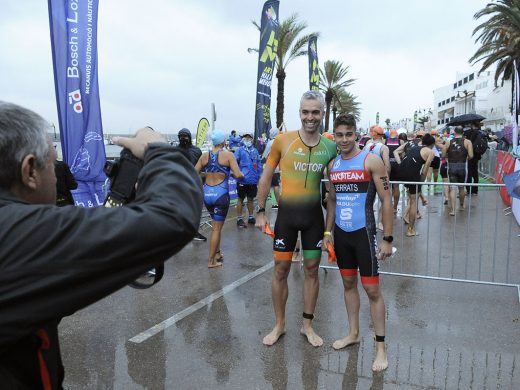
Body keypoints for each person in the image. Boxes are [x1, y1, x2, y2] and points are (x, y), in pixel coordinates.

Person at [0, 101, 203, 389]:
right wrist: (158, 150)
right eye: (52, 164)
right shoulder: (17, 236)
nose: (56, 174)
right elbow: (173, 216)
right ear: (30, 170)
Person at [255, 90, 337, 347]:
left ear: (322, 113)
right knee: (280, 270)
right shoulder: (283, 141)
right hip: (286, 218)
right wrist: (260, 212)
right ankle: (279, 325)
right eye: (305, 112)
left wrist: (328, 230)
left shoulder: (330, 147)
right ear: (299, 112)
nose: (310, 117)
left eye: (315, 112)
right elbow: (266, 178)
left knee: (312, 270)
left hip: (314, 219)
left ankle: (307, 326)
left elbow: (332, 193)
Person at [323, 113, 393, 372]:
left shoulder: (371, 160)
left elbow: (387, 199)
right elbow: (331, 199)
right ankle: (353, 333)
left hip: (364, 234)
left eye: (348, 134)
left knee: (373, 291)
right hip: (341, 236)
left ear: (357, 134)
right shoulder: (333, 165)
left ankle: (381, 348)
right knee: (348, 284)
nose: (343, 139)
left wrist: (387, 238)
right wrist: (327, 233)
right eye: (339, 135)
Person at [195, 130, 243, 268]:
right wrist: (234, 176)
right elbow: (238, 174)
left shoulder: (204, 156)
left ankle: (217, 253)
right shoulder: (228, 155)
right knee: (216, 229)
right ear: (223, 142)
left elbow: (194, 171)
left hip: (207, 195)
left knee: (217, 226)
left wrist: (207, 174)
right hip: (221, 195)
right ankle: (211, 261)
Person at [393, 133, 437, 236]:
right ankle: (410, 230)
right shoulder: (430, 152)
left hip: (400, 171)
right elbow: (425, 170)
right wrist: (420, 183)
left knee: (411, 194)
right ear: (432, 144)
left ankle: (407, 217)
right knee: (413, 201)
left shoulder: (414, 147)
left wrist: (400, 165)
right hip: (411, 175)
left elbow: (401, 155)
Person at [176, 128, 207, 242]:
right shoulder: (174, 150)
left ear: (189, 137)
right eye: (181, 136)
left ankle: (194, 232)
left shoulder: (197, 150)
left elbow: (202, 167)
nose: (183, 138)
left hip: (194, 183)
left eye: (185, 136)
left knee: (195, 209)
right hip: (179, 184)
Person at [442, 126, 473, 215]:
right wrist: (465, 158)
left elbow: (443, 154)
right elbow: (471, 155)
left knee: (453, 188)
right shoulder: (467, 142)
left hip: (451, 166)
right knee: (461, 187)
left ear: (454, 132)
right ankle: (462, 205)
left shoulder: (448, 142)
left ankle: (453, 210)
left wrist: (449, 156)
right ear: (463, 132)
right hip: (463, 166)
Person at [235, 133, 263, 228]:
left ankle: (251, 217)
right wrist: (237, 173)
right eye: (246, 138)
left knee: (251, 199)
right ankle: (239, 218)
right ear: (243, 139)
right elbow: (234, 163)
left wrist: (259, 176)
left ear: (252, 139)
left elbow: (259, 164)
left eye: (249, 138)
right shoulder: (239, 150)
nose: (247, 139)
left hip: (252, 180)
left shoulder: (254, 151)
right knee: (240, 199)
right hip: (242, 180)